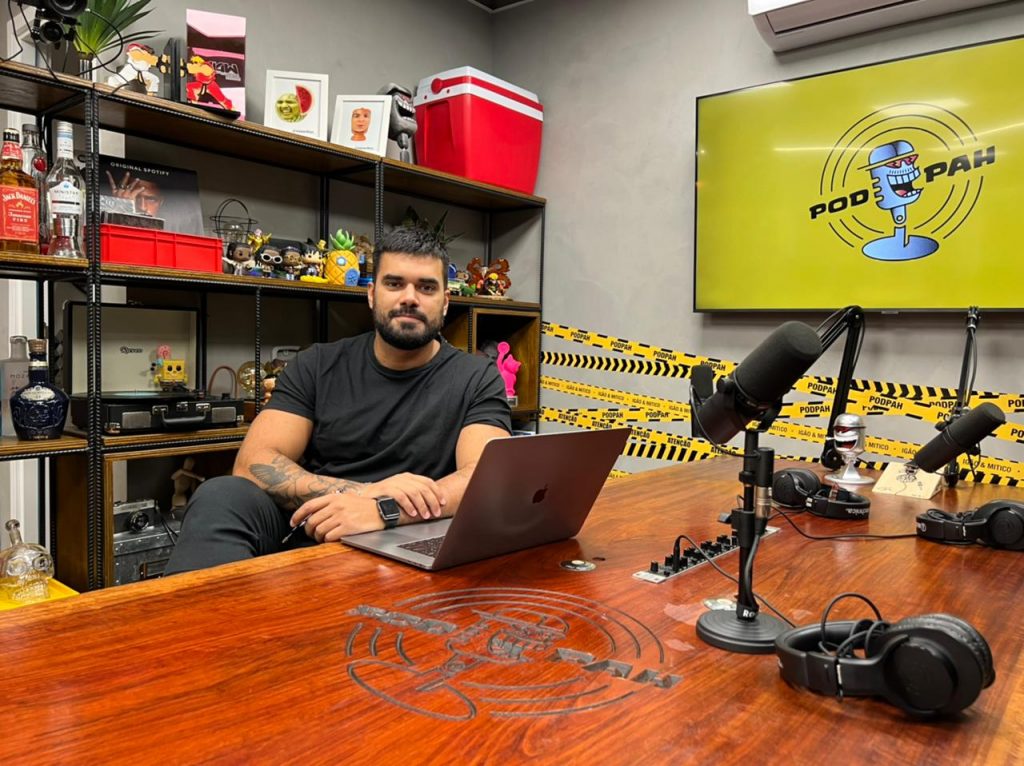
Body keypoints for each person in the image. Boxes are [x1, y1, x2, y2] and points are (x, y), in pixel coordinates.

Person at [164, 226, 512, 574]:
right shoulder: (317, 364)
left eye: (426, 287)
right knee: (221, 495)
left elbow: (484, 478)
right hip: (318, 526)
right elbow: (254, 462)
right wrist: (366, 493)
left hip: (415, 536)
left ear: (446, 301)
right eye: (394, 284)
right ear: (372, 294)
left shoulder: (476, 377)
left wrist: (386, 511)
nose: (410, 298)